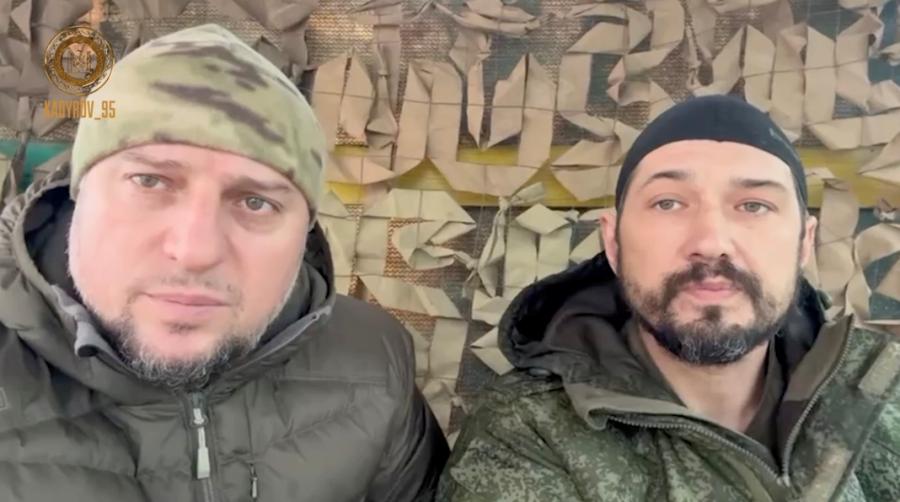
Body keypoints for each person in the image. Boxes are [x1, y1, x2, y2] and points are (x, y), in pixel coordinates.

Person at [0, 24, 448, 501]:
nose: (196, 251)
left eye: (255, 203)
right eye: (150, 182)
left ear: (305, 235)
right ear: (79, 195)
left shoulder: (372, 363)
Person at [438, 95, 900, 501]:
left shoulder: (883, 390)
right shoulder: (531, 431)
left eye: (754, 205)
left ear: (804, 243)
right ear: (613, 242)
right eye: (668, 203)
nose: (711, 242)